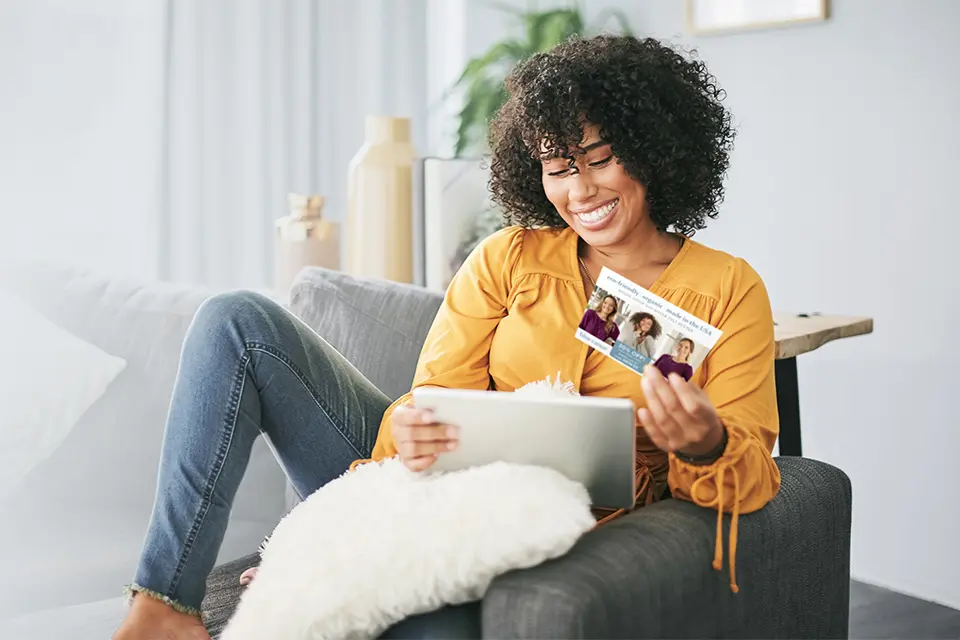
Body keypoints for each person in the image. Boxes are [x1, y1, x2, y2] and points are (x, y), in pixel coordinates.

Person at [113, 34, 781, 640]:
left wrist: (705, 445)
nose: (580, 191)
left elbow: (751, 480)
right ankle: (164, 606)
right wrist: (395, 453)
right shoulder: (508, 258)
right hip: (430, 484)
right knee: (237, 321)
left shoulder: (729, 289)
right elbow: (433, 399)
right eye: (557, 167)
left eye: (600, 160)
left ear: (653, 148)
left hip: (536, 525)